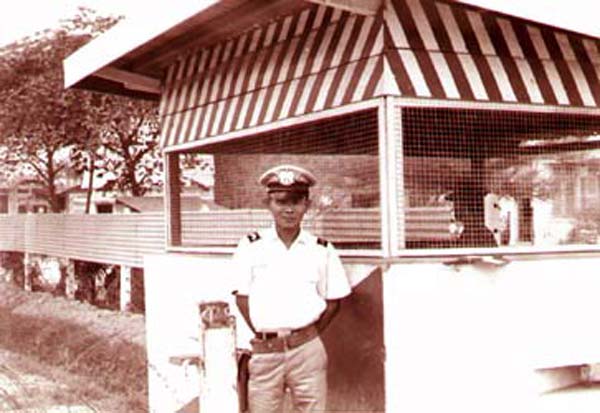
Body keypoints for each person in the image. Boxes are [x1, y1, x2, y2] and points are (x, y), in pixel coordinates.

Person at [232, 164, 352, 413]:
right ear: (268, 204)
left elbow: (334, 302)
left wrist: (306, 336)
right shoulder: (250, 246)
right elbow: (242, 298)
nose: (288, 209)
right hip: (265, 352)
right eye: (281, 201)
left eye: (296, 201)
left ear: (307, 205)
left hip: (308, 351)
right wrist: (266, 336)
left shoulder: (321, 249)